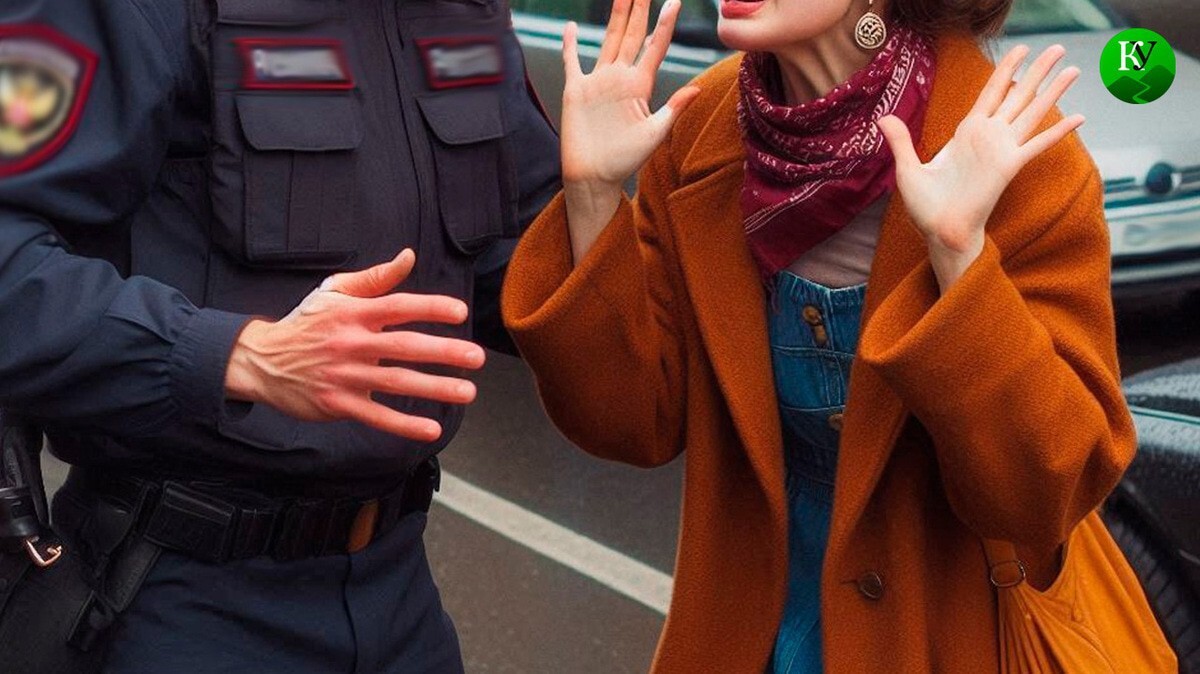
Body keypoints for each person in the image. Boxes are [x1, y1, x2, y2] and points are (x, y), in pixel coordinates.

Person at [501, 0, 1164, 671]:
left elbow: (1045, 496)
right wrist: (592, 193)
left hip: (948, 641)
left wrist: (959, 261)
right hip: (752, 638)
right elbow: (632, 424)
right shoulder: (703, 124)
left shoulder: (1014, 147)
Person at [0, 0, 559, 670]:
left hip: (400, 595)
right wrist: (236, 355)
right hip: (181, 599)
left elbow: (514, 273)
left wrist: (603, 201)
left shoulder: (460, 14)